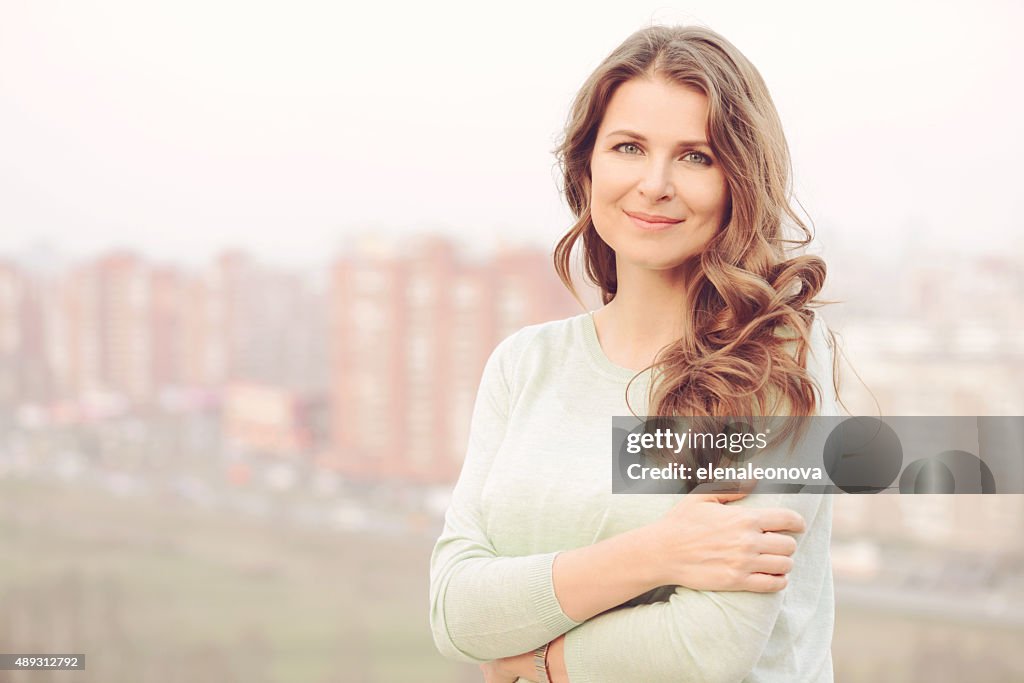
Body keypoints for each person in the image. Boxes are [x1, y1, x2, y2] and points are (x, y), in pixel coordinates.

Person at [429, 24, 842, 683]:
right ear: (587, 165)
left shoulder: (776, 360)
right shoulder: (522, 364)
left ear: (740, 180)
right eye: (629, 147)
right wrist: (658, 552)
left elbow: (708, 647)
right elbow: (455, 610)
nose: (655, 183)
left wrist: (533, 662)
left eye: (696, 156)